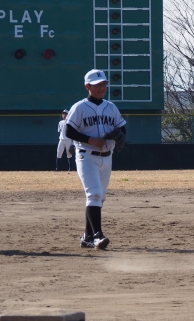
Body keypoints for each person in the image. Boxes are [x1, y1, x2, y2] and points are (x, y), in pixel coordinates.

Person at [65, 69, 127, 250]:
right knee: (94, 194)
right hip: (86, 156)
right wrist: (90, 140)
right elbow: (68, 131)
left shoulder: (111, 107)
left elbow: (122, 128)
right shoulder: (80, 107)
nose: (101, 88)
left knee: (99, 198)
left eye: (104, 84)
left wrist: (119, 135)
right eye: (97, 85)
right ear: (88, 86)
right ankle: (98, 236)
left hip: (107, 158)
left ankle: (87, 237)